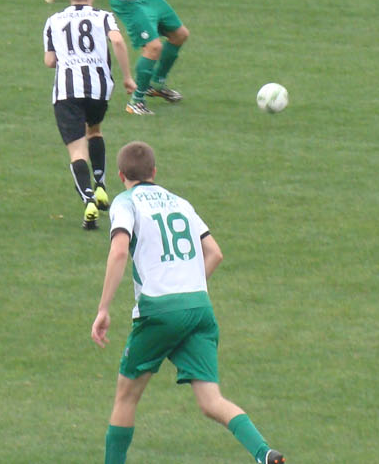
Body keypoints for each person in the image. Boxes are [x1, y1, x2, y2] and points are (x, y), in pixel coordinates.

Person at [90, 141, 286, 464]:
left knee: (126, 397)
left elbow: (120, 250)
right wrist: (187, 285)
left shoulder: (126, 203)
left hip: (159, 310)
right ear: (154, 172)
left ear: (121, 175)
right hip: (199, 308)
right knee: (211, 401)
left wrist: (103, 309)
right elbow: (215, 253)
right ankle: (264, 453)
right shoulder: (181, 203)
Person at [43, 0, 136, 231]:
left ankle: (89, 201)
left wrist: (70, 58)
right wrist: (127, 77)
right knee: (94, 130)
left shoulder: (53, 21)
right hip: (99, 89)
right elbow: (117, 40)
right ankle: (101, 185)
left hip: (67, 92)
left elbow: (49, 61)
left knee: (77, 151)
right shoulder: (103, 16)